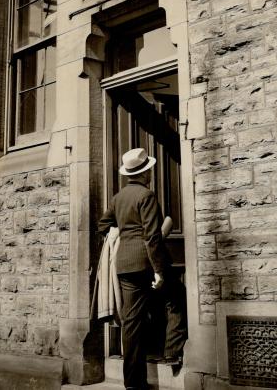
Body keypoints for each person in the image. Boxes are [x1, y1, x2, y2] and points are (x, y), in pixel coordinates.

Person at [98, 148, 187, 390]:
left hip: (124, 264)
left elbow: (102, 225)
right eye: (149, 170)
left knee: (132, 321)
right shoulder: (146, 195)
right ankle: (172, 352)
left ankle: (133, 383)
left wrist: (120, 234)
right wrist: (159, 270)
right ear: (146, 172)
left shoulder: (118, 197)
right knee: (176, 296)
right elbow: (151, 237)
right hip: (146, 263)